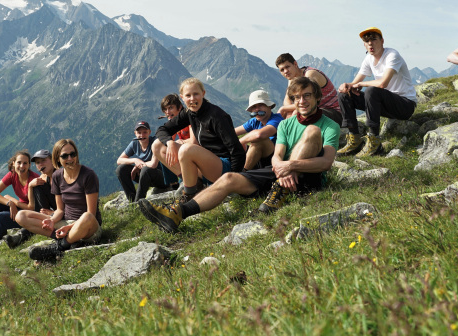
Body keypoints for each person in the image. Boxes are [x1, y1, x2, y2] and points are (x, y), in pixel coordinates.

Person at [138, 76, 339, 232]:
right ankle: (177, 213)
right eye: (297, 97)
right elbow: (277, 155)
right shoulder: (286, 124)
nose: (301, 101)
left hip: (306, 177)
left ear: (317, 98)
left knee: (312, 131)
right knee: (229, 179)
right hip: (278, 177)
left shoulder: (329, 126)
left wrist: (289, 166)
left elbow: (326, 162)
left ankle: (281, 188)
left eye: (307, 96)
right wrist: (280, 166)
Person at [151, 77, 245, 205]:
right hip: (205, 166)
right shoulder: (189, 112)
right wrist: (170, 142)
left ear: (203, 94)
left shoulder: (216, 116)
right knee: (157, 146)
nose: (192, 99)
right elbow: (162, 129)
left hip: (223, 167)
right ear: (182, 98)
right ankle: (195, 184)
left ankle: (189, 196)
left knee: (186, 149)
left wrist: (232, 180)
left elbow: (237, 150)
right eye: (188, 95)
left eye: (196, 94)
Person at [18, 138, 102, 262]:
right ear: (57, 159)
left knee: (86, 216)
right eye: (65, 156)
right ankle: (69, 240)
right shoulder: (57, 176)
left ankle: (59, 247)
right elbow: (60, 210)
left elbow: (91, 214)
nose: (70, 158)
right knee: (21, 216)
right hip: (66, 223)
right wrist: (52, 221)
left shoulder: (88, 175)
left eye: (73, 154)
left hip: (89, 227)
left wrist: (69, 228)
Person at [337, 27, 417, 157]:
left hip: (405, 105)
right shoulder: (368, 58)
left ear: (382, 41)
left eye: (374, 39)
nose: (370, 44)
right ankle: (354, 139)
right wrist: (346, 86)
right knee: (345, 95)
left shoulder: (392, 55)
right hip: (385, 104)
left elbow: (382, 83)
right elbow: (354, 83)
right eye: (367, 41)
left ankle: (374, 141)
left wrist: (361, 84)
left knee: (372, 90)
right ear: (364, 44)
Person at [4, 149, 58, 249]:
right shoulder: (43, 178)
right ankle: (21, 235)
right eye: (37, 162)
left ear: (52, 160)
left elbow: (71, 203)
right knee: (37, 185)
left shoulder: (61, 176)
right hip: (52, 213)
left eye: (43, 160)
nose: (40, 164)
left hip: (63, 213)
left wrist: (54, 213)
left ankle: (21, 236)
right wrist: (30, 186)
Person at [275, 53, 342, 125]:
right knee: (288, 114)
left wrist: (283, 108)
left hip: (333, 112)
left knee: (297, 113)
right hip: (315, 109)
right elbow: (287, 100)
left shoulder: (309, 75)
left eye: (287, 67)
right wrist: (288, 111)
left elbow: (310, 101)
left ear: (295, 64)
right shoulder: (292, 78)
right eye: (282, 70)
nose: (285, 71)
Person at [115, 121, 165, 202]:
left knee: (145, 169)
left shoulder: (155, 142)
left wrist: (138, 166)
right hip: (145, 177)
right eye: (139, 133)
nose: (142, 135)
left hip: (162, 178)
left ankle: (138, 202)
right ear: (135, 133)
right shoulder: (134, 143)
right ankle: (132, 200)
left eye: (145, 132)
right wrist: (135, 160)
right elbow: (119, 160)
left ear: (149, 132)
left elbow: (153, 164)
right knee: (121, 169)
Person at [234, 89, 283, 171]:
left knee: (259, 141)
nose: (257, 109)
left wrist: (239, 142)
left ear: (269, 107)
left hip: (274, 158)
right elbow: (231, 133)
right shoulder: (254, 121)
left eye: (261, 105)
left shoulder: (277, 119)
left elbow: (259, 135)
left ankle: (242, 173)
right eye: (254, 107)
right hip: (260, 157)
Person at [152, 94, 192, 189]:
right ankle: (173, 184)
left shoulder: (188, 119)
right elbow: (168, 139)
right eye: (165, 110)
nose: (167, 112)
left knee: (170, 150)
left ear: (180, 107)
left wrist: (181, 142)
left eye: (170, 108)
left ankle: (185, 180)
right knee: (167, 149)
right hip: (185, 150)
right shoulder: (174, 122)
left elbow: (196, 140)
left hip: (194, 150)